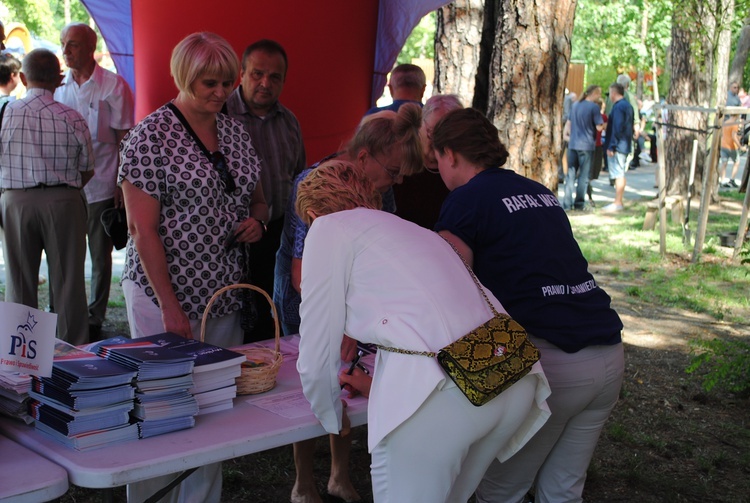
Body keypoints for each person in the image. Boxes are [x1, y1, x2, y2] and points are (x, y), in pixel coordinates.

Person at [295, 160, 551, 503]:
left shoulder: (327, 227)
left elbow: (316, 346)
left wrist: (328, 412)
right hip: (511, 377)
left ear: (312, 212)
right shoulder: (412, 229)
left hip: (446, 395)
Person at [432, 107, 624, 503]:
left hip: (551, 365)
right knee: (563, 489)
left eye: (436, 159)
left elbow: (453, 293)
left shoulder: (465, 200)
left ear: (450, 154)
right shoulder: (539, 191)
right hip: (606, 353)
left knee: (500, 490)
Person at [119, 32, 268, 503]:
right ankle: (150, 495)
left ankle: (201, 498)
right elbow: (144, 232)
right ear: (184, 76)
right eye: (210, 83)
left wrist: (257, 223)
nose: (221, 93)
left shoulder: (236, 132)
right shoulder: (151, 136)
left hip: (222, 290)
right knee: (160, 406)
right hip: (164, 293)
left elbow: (260, 200)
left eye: (228, 83)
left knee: (212, 405)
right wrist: (169, 306)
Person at [274, 104, 423, 503]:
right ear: (362, 158)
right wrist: (344, 323)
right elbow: (304, 276)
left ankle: (339, 475)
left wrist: (360, 323)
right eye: (393, 172)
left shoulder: (380, 190)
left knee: (347, 383)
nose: (395, 182)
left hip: (354, 305)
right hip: (312, 301)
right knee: (311, 384)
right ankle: (303, 482)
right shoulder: (318, 185)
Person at [0, 49, 94, 345]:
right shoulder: (73, 117)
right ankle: (72, 354)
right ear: (60, 79)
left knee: (19, 281)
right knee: (69, 283)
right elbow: (87, 168)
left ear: (24, 78)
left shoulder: (5, 112)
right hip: (63, 201)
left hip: (16, 200)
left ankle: (22, 356)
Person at [55, 23, 135, 341]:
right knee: (66, 254)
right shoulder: (58, 87)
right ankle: (68, 313)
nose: (66, 51)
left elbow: (125, 139)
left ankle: (94, 316)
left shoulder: (113, 87)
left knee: (99, 256)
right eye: (64, 44)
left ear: (91, 47)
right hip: (66, 185)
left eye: (72, 44)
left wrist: (121, 183)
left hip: (102, 182)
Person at [224, 39, 306, 342]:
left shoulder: (289, 121)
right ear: (242, 74)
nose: (265, 83)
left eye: (274, 77)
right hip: (235, 237)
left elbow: (300, 177)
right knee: (242, 315)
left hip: (279, 231)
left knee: (276, 310)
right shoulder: (219, 117)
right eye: (257, 74)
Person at [393, 93, 462, 228]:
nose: (439, 141)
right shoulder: (400, 162)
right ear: (420, 126)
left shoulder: (464, 169)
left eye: (448, 135)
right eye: (433, 133)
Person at [562, 85, 604, 211]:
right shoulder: (594, 107)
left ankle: (567, 204)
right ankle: (579, 203)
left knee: (570, 175)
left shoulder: (575, 105)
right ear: (594, 94)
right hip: (586, 145)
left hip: (573, 144)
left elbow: (568, 125)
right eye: (599, 94)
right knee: (583, 176)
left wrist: (567, 136)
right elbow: (599, 127)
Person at [602, 83, 634, 212]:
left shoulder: (619, 107)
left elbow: (617, 127)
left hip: (618, 145)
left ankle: (618, 201)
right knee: (619, 172)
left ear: (614, 93)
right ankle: (617, 201)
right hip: (623, 143)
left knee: (618, 173)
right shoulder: (627, 106)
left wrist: (612, 145)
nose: (609, 96)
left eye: (610, 93)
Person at [719, 115, 742, 188]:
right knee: (737, 162)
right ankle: (732, 179)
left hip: (723, 145)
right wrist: (740, 146)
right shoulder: (734, 124)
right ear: (737, 115)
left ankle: (722, 180)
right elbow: (734, 137)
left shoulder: (725, 122)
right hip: (731, 147)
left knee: (724, 163)